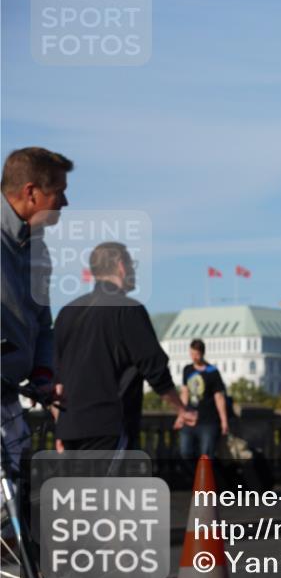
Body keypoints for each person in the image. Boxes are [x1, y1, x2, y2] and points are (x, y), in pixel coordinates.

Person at [53, 242, 195, 451]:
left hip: (69, 430)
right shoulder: (128, 310)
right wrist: (181, 409)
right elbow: (155, 369)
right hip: (109, 427)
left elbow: (56, 379)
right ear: (121, 266)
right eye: (131, 264)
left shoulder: (67, 312)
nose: (133, 271)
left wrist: (60, 428)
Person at [1, 147, 71, 472]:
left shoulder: (38, 248)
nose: (65, 202)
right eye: (59, 192)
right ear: (31, 193)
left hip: (10, 403)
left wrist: (43, 374)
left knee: (13, 497)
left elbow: (43, 324)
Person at [178, 338, 229, 460]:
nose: (193, 357)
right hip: (189, 419)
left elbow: (219, 397)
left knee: (206, 456)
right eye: (191, 354)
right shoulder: (187, 370)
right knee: (185, 452)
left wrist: (224, 421)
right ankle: (192, 472)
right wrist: (181, 415)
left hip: (208, 421)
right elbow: (184, 393)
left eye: (196, 354)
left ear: (202, 353)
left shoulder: (212, 372)